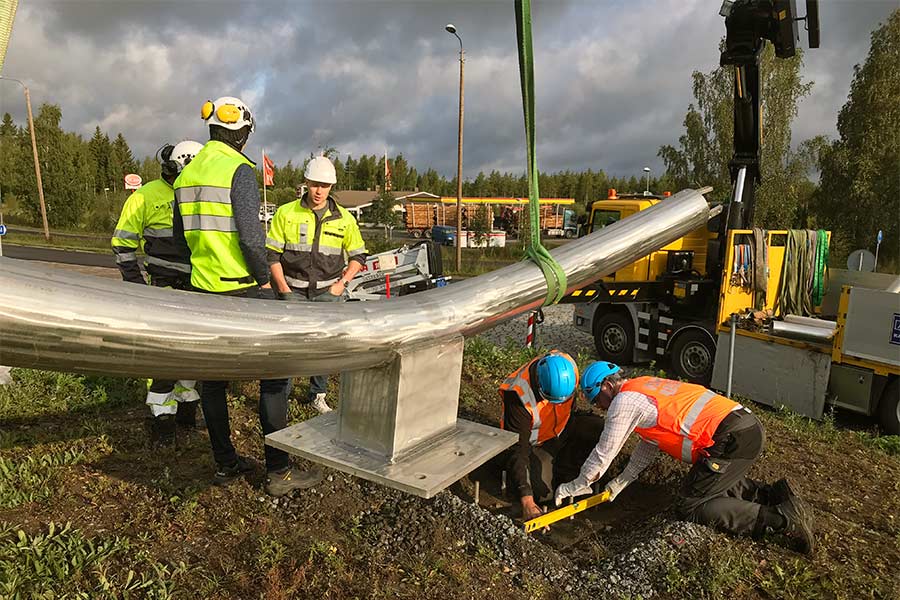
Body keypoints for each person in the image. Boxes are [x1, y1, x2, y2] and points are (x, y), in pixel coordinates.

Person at [173, 96, 321, 496]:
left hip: (203, 289)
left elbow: (177, 239)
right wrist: (265, 284)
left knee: (213, 383)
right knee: (275, 378)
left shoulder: (186, 176)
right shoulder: (238, 170)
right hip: (243, 288)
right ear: (243, 132)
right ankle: (278, 470)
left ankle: (225, 463)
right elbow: (253, 241)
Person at [554, 362, 816, 554]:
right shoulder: (644, 386)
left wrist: (575, 485)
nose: (598, 407)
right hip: (744, 426)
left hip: (729, 438)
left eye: (596, 399)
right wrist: (622, 481)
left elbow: (604, 454)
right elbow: (650, 443)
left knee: (692, 505)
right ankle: (778, 496)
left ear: (607, 385)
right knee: (710, 476)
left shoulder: (623, 403)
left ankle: (781, 522)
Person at [111, 140, 204, 446]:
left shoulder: (198, 193)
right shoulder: (146, 196)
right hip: (163, 287)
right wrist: (136, 285)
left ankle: (186, 400)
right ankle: (160, 415)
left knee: (191, 348)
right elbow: (123, 242)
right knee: (165, 351)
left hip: (199, 286)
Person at [265, 155, 367, 414]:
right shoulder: (286, 213)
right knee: (289, 347)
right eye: (314, 184)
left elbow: (358, 256)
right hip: (293, 293)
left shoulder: (344, 219)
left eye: (324, 185)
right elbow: (272, 255)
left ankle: (317, 394)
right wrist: (284, 291)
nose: (319, 191)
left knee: (323, 348)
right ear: (306, 183)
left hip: (328, 294)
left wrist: (341, 285)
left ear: (331, 187)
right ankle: (282, 396)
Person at [498, 350, 605, 521]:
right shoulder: (518, 396)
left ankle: (565, 468)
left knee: (600, 430)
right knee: (542, 494)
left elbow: (571, 408)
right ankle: (502, 471)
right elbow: (518, 449)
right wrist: (527, 499)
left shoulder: (569, 368)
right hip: (536, 443)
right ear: (539, 385)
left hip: (563, 429)